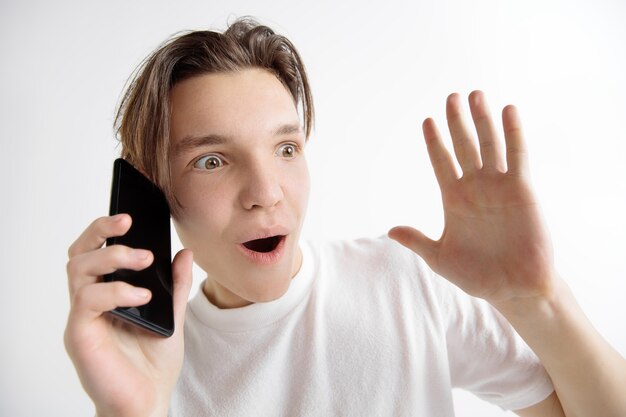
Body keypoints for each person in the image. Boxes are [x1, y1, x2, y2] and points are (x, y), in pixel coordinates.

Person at [64, 18, 626, 417]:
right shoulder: (157, 364)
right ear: (154, 193)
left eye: (286, 148)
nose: (266, 192)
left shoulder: (403, 281)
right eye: (211, 160)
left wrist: (541, 301)